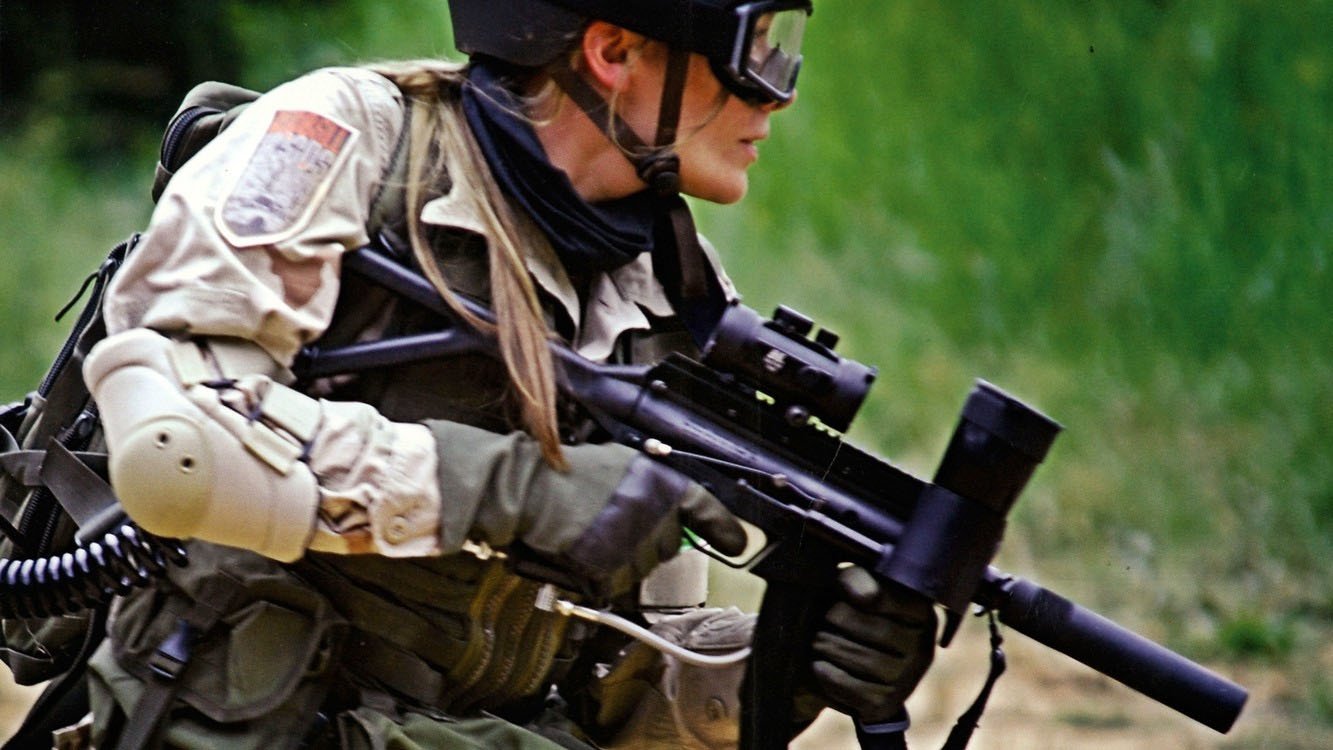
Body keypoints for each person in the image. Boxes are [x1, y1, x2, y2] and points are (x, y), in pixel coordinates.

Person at [72, 1, 938, 748]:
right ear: (612, 51)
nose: (778, 94)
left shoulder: (672, 288)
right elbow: (174, 450)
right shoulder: (348, 137)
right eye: (755, 51)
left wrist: (791, 667)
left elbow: (628, 688)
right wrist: (511, 489)